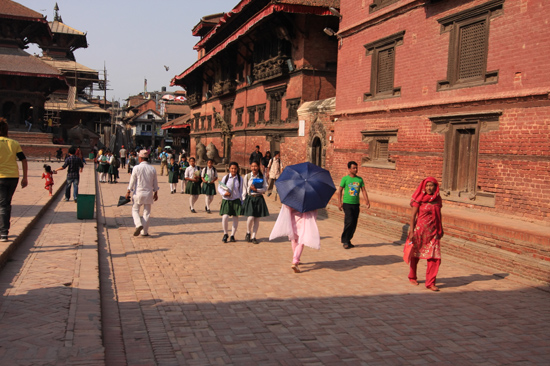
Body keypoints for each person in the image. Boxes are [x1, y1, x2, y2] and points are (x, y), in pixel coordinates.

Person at [408, 177, 444, 292]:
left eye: (432, 185)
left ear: (435, 187)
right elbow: (413, 216)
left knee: (434, 258)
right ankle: (412, 276)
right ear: (424, 187)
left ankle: (430, 282)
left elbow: (439, 215)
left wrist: (441, 228)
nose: (429, 188)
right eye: (427, 185)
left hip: (433, 232)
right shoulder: (419, 199)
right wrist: (411, 231)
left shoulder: (438, 199)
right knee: (415, 255)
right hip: (420, 231)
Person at [0, 118, 28, 242]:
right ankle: (4, 231)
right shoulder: (13, 143)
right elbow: (23, 159)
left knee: (2, 204)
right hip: (12, 177)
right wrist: (25, 177)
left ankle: (3, 232)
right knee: (6, 203)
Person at [269, 204, 320, 273]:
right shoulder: (309, 198)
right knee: (301, 241)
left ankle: (296, 259)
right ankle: (295, 261)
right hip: (303, 219)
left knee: (294, 239)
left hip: (293, 217)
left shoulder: (292, 196)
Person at [337, 161, 370, 249]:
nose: (356, 169)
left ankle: (348, 239)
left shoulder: (359, 179)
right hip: (347, 203)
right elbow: (339, 190)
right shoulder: (345, 179)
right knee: (349, 221)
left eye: (356, 168)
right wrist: (339, 202)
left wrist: (367, 201)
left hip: (356, 204)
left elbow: (363, 190)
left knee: (354, 223)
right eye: (354, 168)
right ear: (349, 169)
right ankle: (345, 241)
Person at [125, 150, 159, 237]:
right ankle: (144, 232)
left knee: (135, 210)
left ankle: (138, 224)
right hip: (149, 193)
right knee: (146, 213)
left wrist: (128, 191)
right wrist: (156, 193)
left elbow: (132, 181)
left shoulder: (136, 168)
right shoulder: (152, 169)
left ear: (140, 158)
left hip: (138, 193)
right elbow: (155, 183)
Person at [242, 161, 269, 244]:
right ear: (250, 167)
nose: (254, 168)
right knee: (250, 217)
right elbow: (244, 189)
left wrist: (257, 190)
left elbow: (265, 188)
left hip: (258, 198)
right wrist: (243, 200)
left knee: (257, 218)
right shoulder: (247, 176)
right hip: (250, 198)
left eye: (256, 166)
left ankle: (254, 236)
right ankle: (248, 232)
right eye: (252, 166)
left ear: (258, 167)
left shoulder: (262, 177)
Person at [218, 162, 243, 243]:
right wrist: (224, 193)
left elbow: (242, 191)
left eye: (235, 168)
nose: (233, 170)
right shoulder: (225, 178)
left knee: (235, 218)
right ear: (229, 169)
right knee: (225, 217)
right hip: (226, 200)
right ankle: (225, 233)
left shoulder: (240, 179)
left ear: (237, 169)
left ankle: (232, 235)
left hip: (236, 200)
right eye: (232, 168)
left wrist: (242, 202)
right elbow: (220, 187)